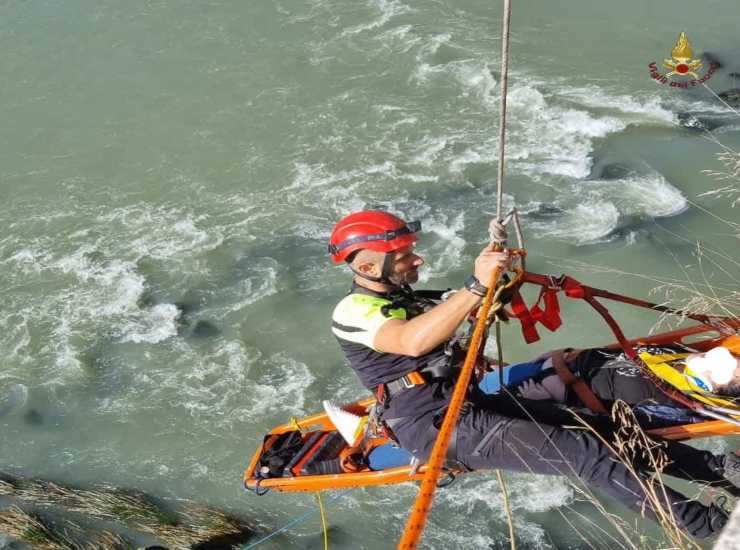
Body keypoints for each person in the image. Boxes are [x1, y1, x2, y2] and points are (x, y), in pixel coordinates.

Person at [328, 210, 739, 539]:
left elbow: (460, 316)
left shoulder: (410, 299)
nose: (417, 259)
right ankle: (712, 529)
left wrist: (496, 288)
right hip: (433, 424)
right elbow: (412, 342)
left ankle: (722, 472)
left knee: (606, 430)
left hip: (465, 403)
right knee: (588, 456)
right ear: (368, 264)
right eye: (404, 256)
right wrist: (474, 287)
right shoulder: (353, 312)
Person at [479, 341, 740, 428]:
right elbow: (618, 354)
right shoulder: (675, 357)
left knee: (477, 400)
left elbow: (604, 423)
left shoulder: (679, 405)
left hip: (528, 398)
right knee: (483, 379)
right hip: (548, 368)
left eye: (705, 359)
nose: (702, 355)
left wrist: (545, 406)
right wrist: (561, 356)